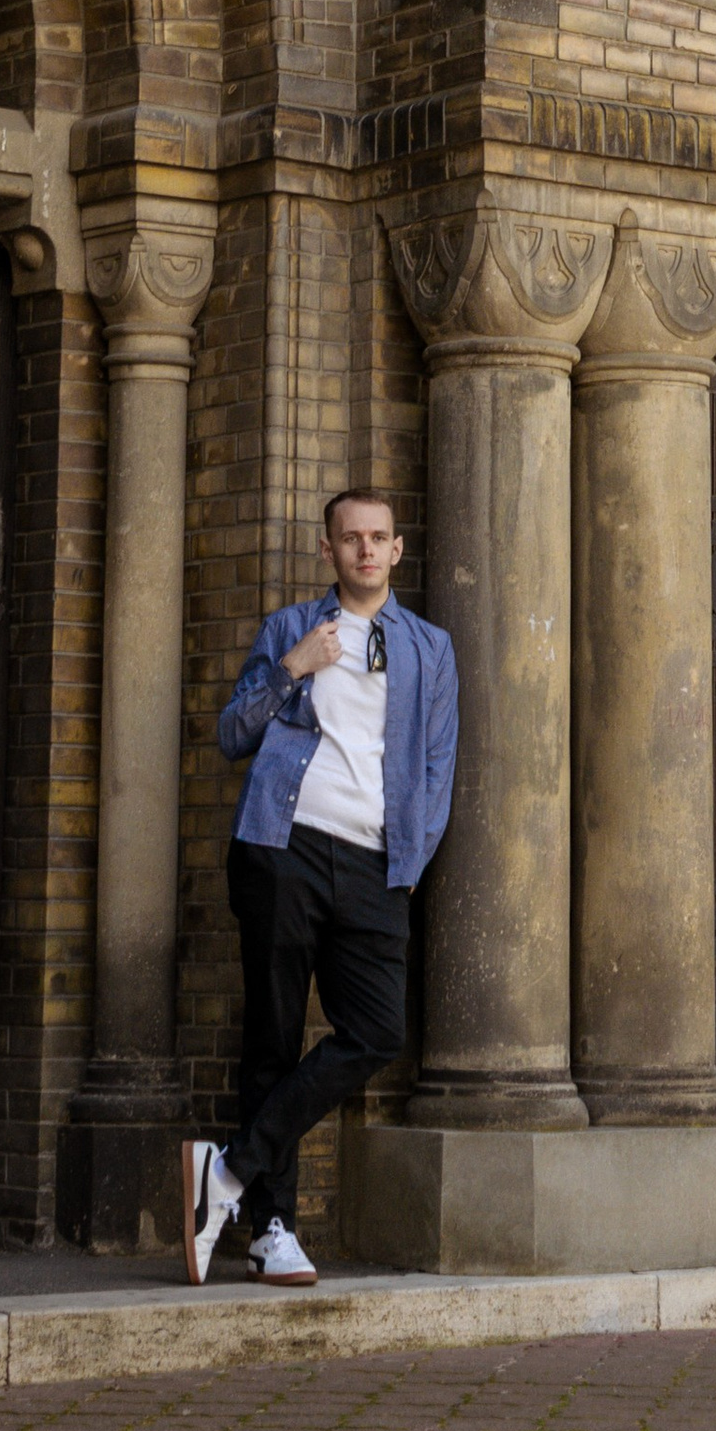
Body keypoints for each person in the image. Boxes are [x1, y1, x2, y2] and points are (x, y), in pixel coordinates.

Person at [183, 489, 458, 1287]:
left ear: (397, 550)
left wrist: (406, 863)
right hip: (284, 846)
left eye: (378, 538)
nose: (365, 551)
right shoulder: (289, 629)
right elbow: (234, 733)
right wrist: (291, 670)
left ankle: (226, 1174)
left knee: (375, 1031)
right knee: (272, 1033)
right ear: (330, 550)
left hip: (375, 865)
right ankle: (272, 1232)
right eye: (351, 539)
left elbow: (437, 771)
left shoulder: (430, 649)